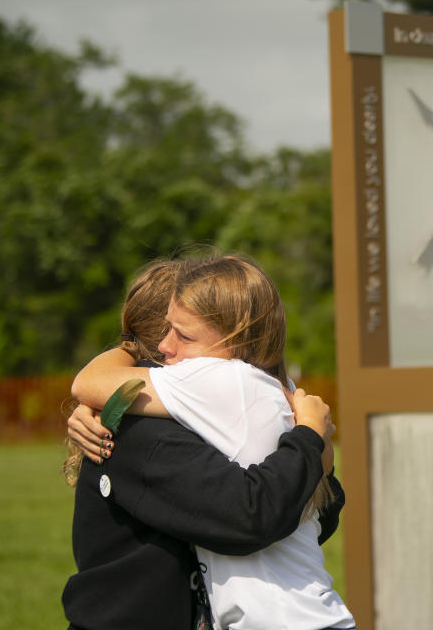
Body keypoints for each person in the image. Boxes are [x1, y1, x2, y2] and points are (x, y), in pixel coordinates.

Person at [70, 255, 356, 630]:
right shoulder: (264, 389)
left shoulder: (224, 381)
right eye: (166, 331)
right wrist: (313, 443)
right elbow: (310, 515)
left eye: (183, 334)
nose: (168, 346)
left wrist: (309, 441)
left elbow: (255, 516)